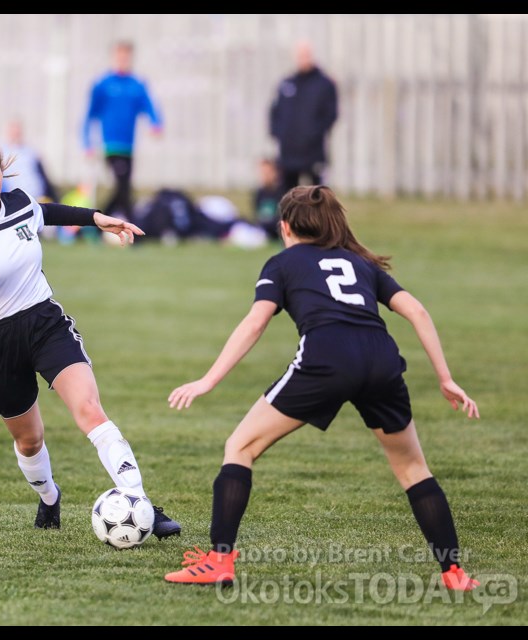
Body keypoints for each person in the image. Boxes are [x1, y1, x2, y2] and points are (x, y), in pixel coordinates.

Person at [162, 185, 480, 591]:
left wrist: (208, 379)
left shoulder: (282, 263)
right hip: (381, 359)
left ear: (285, 226)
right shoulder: (361, 263)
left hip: (326, 358)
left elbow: (256, 322)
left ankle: (219, 561)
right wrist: (445, 378)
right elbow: (416, 310)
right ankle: (454, 574)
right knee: (414, 469)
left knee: (240, 447)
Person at [0, 136, 181, 538]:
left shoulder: (19, 201)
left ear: (3, 172)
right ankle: (50, 496)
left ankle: (139, 501)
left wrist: (97, 218)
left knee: (90, 409)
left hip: (44, 322)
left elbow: (47, 212)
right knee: (29, 440)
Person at [82, 41, 162, 224]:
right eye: (120, 56)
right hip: (110, 145)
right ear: (114, 57)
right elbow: (89, 116)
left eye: (126, 57)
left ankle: (94, 224)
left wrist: (156, 124)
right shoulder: (103, 84)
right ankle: (134, 227)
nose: (123, 60)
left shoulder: (137, 85)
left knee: (121, 188)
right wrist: (87, 143)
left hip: (129, 146)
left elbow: (149, 106)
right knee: (124, 188)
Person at [269, 40, 338, 190]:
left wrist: (313, 134)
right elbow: (275, 111)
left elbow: (331, 114)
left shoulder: (324, 84)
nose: (303, 59)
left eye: (306, 55)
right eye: (300, 55)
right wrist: (279, 134)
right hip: (288, 153)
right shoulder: (287, 83)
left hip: (312, 152)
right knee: (287, 197)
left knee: (317, 195)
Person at [251, 157, 286, 242]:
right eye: (263, 173)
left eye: (268, 172)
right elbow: (256, 214)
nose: (265, 176)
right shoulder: (259, 193)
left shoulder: (281, 192)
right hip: (261, 228)